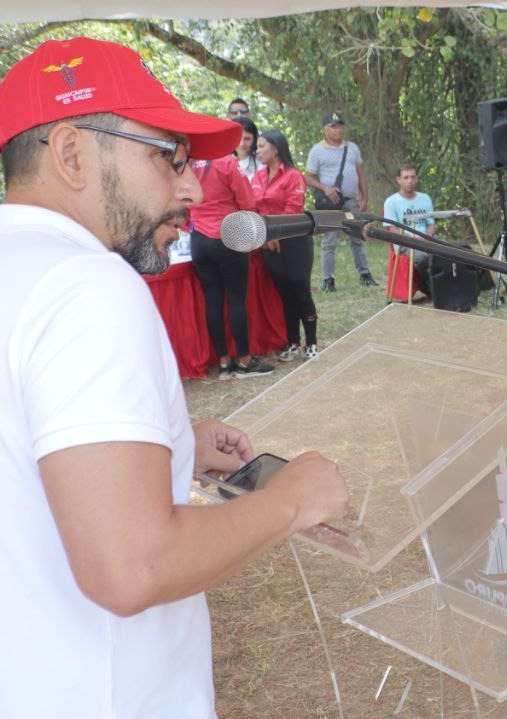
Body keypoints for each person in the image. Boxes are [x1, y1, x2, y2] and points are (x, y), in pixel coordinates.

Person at [0, 36, 349, 718]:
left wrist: (163, 440)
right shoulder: (88, 285)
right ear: (72, 154)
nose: (191, 187)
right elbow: (133, 567)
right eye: (169, 157)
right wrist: (291, 499)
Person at [189, 116, 275, 380]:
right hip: (228, 236)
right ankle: (245, 361)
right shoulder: (228, 163)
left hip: (198, 240)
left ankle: (225, 363)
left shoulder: (189, 165)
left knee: (213, 302)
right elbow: (248, 202)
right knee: (236, 300)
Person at [253, 130, 318, 362]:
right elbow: (255, 209)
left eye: (261, 146)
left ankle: (311, 343)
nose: (257, 151)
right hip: (268, 243)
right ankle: (293, 342)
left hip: (294, 241)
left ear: (276, 148)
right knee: (285, 294)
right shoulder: (258, 177)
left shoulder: (293, 176)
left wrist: (277, 236)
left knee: (300, 291)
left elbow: (293, 208)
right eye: (257, 147)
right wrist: (266, 236)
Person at [305, 111, 373, 292]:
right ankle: (328, 279)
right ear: (324, 129)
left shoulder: (352, 148)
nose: (337, 130)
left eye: (339, 125)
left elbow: (361, 173)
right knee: (329, 239)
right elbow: (308, 178)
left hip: (351, 199)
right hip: (330, 202)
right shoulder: (316, 150)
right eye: (332, 126)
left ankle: (365, 274)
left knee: (357, 235)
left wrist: (364, 197)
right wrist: (325, 188)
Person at [381, 162, 437, 303]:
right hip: (404, 244)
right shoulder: (391, 202)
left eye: (412, 177)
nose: (410, 181)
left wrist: (428, 236)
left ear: (417, 178)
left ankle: (450, 285)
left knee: (451, 252)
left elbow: (431, 224)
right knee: (422, 257)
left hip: (426, 240)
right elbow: (391, 229)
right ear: (398, 179)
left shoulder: (425, 198)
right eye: (406, 177)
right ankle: (431, 287)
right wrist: (414, 240)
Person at [233, 115, 259, 179]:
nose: (242, 144)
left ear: (255, 139)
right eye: (238, 138)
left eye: (247, 139)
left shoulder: (262, 164)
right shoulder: (224, 162)